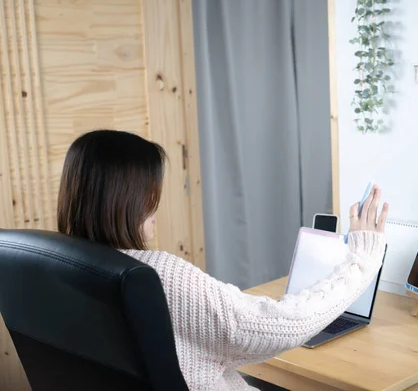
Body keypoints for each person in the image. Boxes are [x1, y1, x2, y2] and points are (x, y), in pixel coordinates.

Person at [56, 130, 389, 391]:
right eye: (150, 194)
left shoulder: (62, 264)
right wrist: (363, 255)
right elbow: (283, 326)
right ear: (124, 199)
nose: (155, 208)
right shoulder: (157, 277)